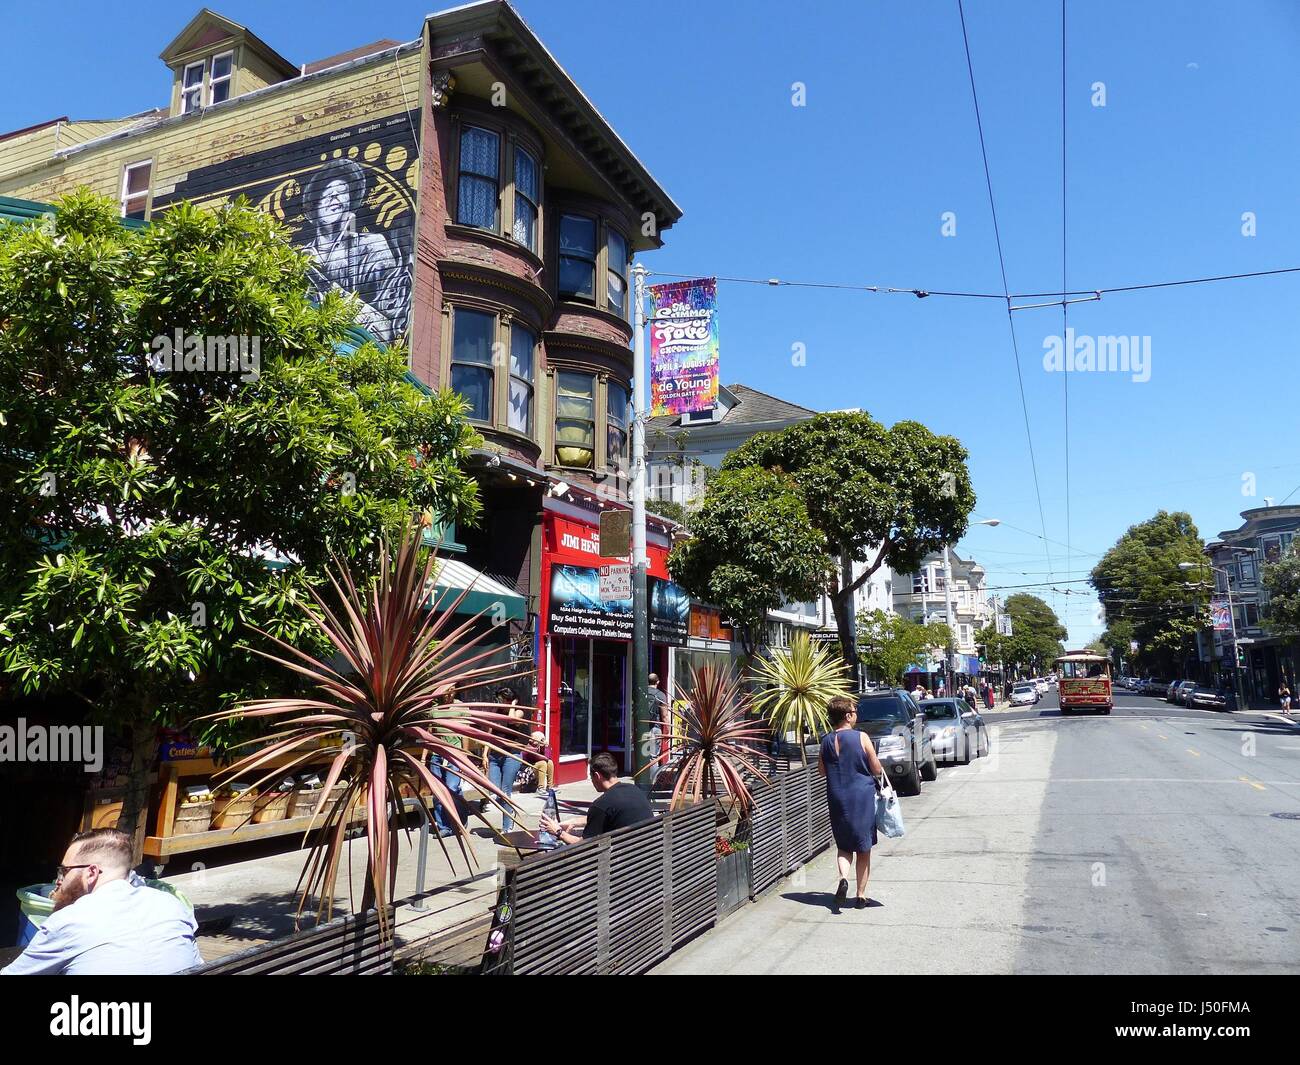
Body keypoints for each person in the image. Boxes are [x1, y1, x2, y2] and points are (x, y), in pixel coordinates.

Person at [2, 828, 202, 975]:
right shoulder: (171, 904)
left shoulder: (69, 921)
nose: (59, 881)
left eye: (64, 871)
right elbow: (197, 966)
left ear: (91, 872)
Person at [818, 695, 885, 912]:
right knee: (863, 848)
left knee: (844, 845)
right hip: (861, 797)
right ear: (847, 715)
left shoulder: (826, 740)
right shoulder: (861, 737)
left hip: (837, 797)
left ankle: (843, 878)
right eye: (854, 712)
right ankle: (861, 895)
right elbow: (876, 769)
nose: (856, 715)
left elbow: (821, 771)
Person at [539, 751, 652, 844]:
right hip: (646, 856)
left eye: (591, 777)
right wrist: (574, 822)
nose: (592, 781)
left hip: (620, 864)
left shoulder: (601, 804)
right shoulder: (634, 790)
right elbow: (609, 816)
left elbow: (584, 846)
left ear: (597, 776)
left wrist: (558, 832)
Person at [487, 686, 530, 833]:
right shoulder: (496, 712)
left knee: (505, 792)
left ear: (510, 699)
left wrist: (512, 705)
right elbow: (490, 733)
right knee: (494, 792)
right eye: (499, 698)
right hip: (494, 755)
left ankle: (507, 826)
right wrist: (485, 753)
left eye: (503, 699)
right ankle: (509, 811)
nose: (500, 701)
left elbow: (512, 721)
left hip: (511, 756)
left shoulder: (519, 711)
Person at [647, 673, 671, 756]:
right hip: (655, 728)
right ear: (657, 682)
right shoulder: (661, 695)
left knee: (641, 756)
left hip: (641, 729)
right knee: (653, 757)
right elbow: (664, 716)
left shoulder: (641, 693)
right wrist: (668, 730)